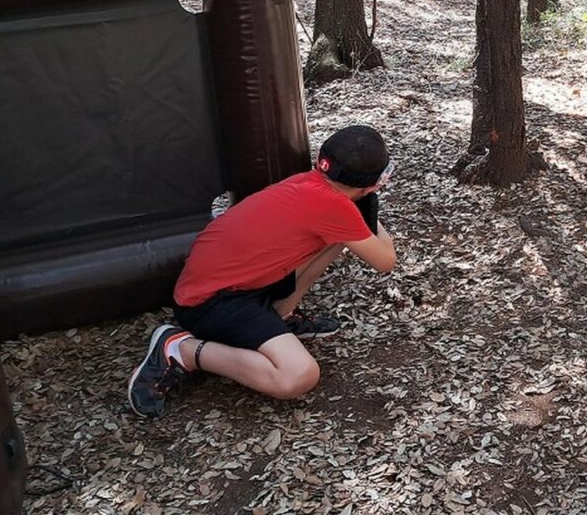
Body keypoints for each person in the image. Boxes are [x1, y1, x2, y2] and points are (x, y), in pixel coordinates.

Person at [128, 125, 395, 418]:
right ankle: (182, 350)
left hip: (234, 284)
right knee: (298, 375)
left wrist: (359, 205)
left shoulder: (308, 183)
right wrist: (369, 201)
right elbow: (386, 261)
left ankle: (281, 314)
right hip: (209, 304)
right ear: (370, 182)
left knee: (341, 237)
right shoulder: (335, 207)